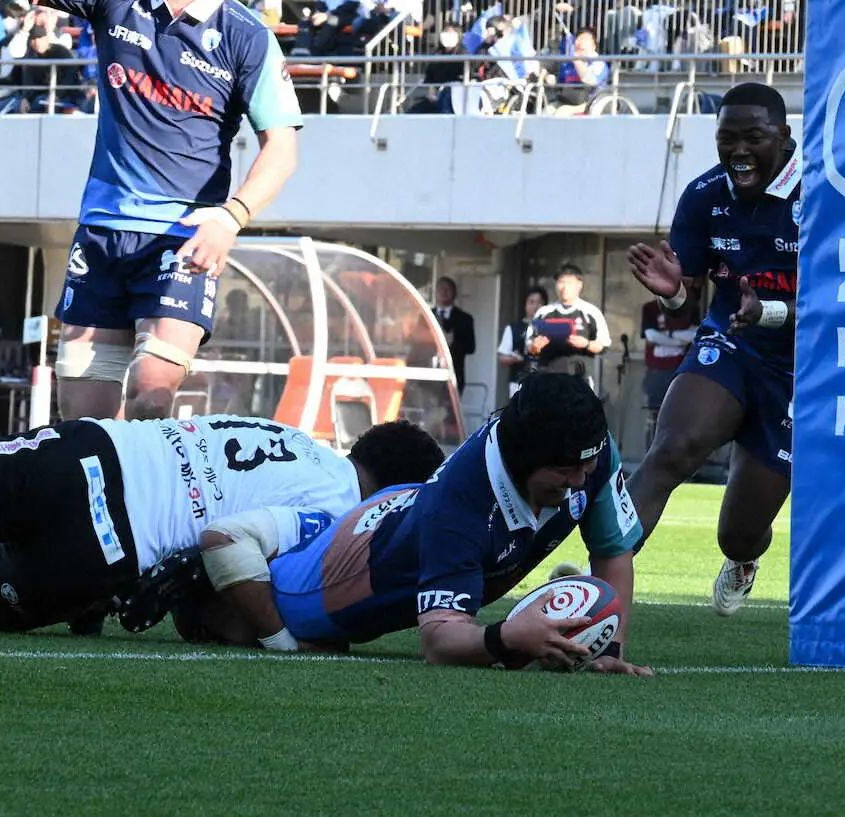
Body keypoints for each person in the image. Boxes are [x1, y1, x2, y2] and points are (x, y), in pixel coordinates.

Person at [0, 0, 303, 423]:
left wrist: (230, 218)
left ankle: (162, 477)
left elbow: (282, 149)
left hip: (182, 239)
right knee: (83, 423)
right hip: (102, 233)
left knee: (151, 394)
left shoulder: (247, 37)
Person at [0, 416, 445, 636]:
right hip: (107, 563)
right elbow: (216, 594)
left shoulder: (304, 455)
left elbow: (225, 539)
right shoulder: (338, 511)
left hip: (94, 463)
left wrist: (278, 642)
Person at [185, 373, 651, 674]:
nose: (582, 479)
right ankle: (210, 607)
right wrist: (507, 636)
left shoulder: (588, 447)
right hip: (313, 586)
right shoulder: (461, 507)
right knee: (263, 616)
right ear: (523, 462)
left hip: (396, 516)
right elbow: (441, 641)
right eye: (566, 471)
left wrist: (608, 649)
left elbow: (613, 550)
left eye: (588, 465)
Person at [626, 82, 798, 616]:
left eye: (753, 138)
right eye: (727, 139)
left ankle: (744, 560)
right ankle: (594, 584)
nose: (738, 151)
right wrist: (674, 294)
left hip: (801, 370)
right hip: (730, 343)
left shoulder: (826, 193)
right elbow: (686, 309)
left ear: (784, 136)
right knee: (671, 450)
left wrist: (770, 312)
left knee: (738, 535)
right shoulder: (704, 195)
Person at [527, 263, 610, 384]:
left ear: (579, 285)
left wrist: (586, 344)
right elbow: (529, 345)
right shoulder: (543, 313)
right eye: (561, 282)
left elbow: (604, 345)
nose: (564, 287)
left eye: (569, 283)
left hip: (580, 379)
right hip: (547, 377)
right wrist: (535, 346)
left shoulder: (591, 312)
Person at [639, 295, 699, 445]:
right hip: (656, 370)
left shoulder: (690, 306)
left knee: (681, 414)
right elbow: (651, 336)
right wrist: (679, 341)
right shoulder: (650, 308)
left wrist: (669, 334)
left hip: (682, 371)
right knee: (654, 414)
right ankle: (651, 451)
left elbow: (694, 335)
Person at [497, 285, 547, 397]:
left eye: (539, 302)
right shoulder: (513, 328)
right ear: (525, 304)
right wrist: (514, 358)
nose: (535, 306)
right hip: (518, 382)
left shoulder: (550, 328)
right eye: (531, 302)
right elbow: (502, 357)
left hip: (545, 382)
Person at [432, 275, 475, 393]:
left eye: (447, 289)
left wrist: (453, 341)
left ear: (455, 293)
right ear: (435, 292)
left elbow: (471, 348)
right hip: (430, 375)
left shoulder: (465, 318)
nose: (444, 292)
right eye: (440, 288)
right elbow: (416, 343)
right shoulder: (426, 315)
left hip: (454, 375)